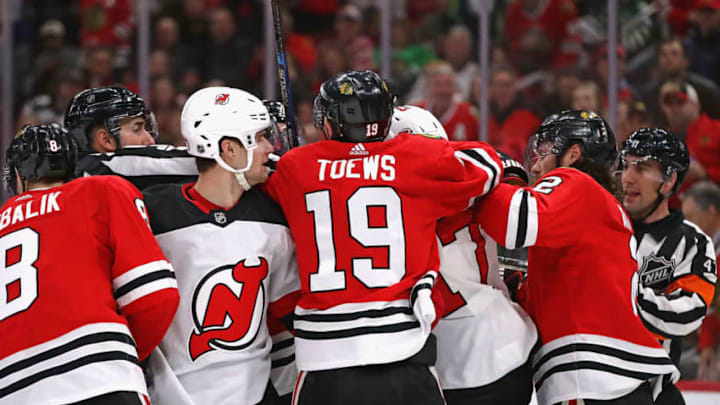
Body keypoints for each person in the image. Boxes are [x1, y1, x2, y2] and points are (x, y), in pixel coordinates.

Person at [262, 70, 504, 404]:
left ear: (330, 120)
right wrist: (414, 143)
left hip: (323, 357)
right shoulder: (415, 157)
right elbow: (489, 163)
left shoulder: (295, 168)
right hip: (402, 350)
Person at [474, 111, 679, 404]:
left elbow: (514, 220)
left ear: (573, 154)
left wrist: (484, 178)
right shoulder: (592, 208)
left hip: (595, 376)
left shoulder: (575, 182)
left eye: (544, 152)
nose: (535, 164)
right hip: (616, 379)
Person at [141, 87, 300, 405]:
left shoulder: (273, 215)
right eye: (259, 138)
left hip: (257, 394)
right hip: (174, 394)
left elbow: (291, 313)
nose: (269, 148)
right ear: (228, 149)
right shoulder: (151, 216)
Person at [0, 124, 179, 404]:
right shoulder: (101, 190)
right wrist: (128, 353)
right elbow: (154, 297)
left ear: (19, 175)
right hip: (100, 377)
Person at [388, 105, 538, 404]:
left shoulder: (384, 201)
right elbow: (519, 204)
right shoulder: (478, 174)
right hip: (504, 339)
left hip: (442, 356)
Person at [618, 128, 717, 403]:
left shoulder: (692, 243)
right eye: (626, 166)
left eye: (642, 168)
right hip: (587, 386)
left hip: (651, 390)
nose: (628, 177)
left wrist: (620, 295)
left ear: (669, 180)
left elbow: (688, 313)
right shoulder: (601, 228)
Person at [64, 86, 198, 190]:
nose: (149, 140)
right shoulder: (107, 167)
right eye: (136, 129)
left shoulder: (75, 173)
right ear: (106, 139)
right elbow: (202, 162)